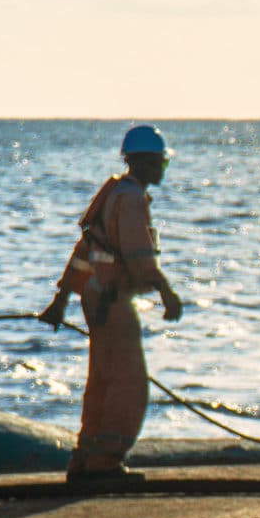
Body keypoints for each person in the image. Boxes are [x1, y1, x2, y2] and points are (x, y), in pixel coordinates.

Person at [40, 125, 183, 480]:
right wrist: (166, 292)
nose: (163, 168)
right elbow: (139, 257)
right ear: (147, 162)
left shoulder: (113, 193)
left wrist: (62, 298)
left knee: (102, 381)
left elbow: (85, 251)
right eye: (160, 162)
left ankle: (85, 459)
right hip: (113, 301)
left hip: (95, 298)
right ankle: (105, 463)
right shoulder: (132, 199)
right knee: (129, 385)